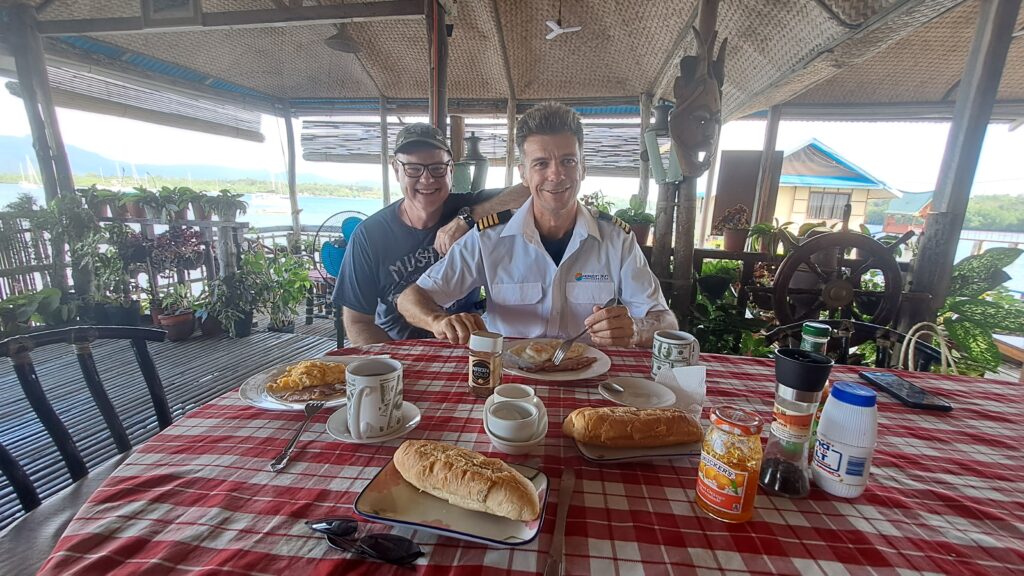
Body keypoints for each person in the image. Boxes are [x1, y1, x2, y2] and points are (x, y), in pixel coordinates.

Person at [397, 102, 678, 346]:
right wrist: (438, 321)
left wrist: (637, 329)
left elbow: (666, 320)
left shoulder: (617, 239)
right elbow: (410, 299)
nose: (556, 174)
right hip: (509, 383)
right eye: (541, 163)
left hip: (588, 378)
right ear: (524, 174)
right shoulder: (488, 238)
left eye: (568, 161)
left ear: (583, 168)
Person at [335, 123, 528, 345]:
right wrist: (390, 364)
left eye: (437, 168)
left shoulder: (467, 206)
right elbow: (357, 322)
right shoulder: (369, 235)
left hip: (463, 347)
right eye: (413, 169)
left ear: (451, 170)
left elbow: (533, 188)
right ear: (396, 170)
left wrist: (468, 218)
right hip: (397, 349)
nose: (427, 179)